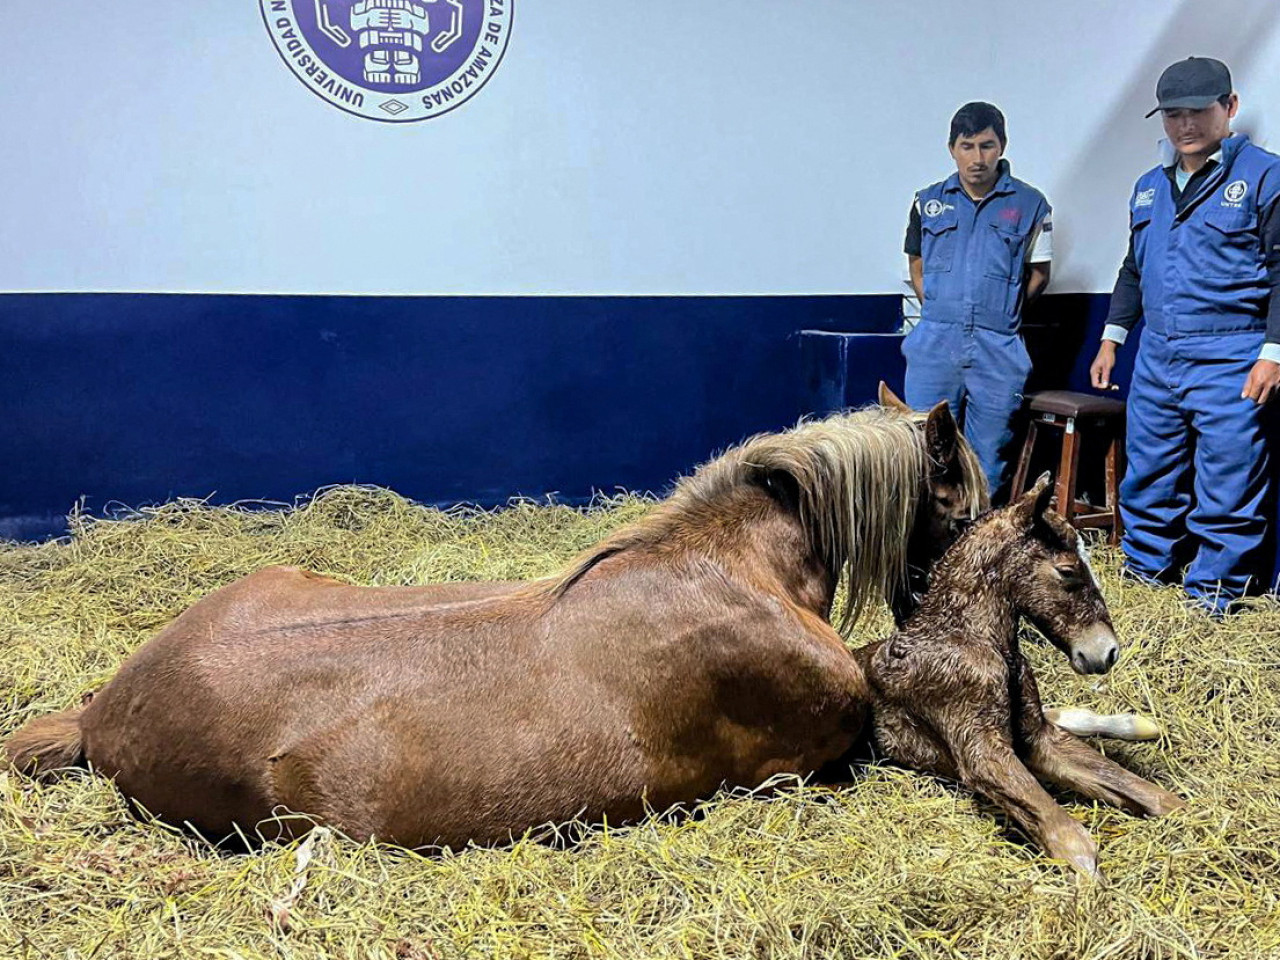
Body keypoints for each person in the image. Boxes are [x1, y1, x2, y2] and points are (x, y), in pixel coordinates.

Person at [1090, 56, 1280, 615]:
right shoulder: (1149, 187)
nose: (1185, 126)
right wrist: (1112, 339)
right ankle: (1142, 581)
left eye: (1198, 112)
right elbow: (1133, 268)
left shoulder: (1266, 178)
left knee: (1230, 481)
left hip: (1233, 353)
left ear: (1230, 108)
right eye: (1173, 115)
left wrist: (1273, 353)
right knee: (1148, 473)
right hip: (1157, 355)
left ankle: (1210, 603)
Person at [903, 101, 1053, 500]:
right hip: (935, 343)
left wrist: (1004, 309)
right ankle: (921, 553)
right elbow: (917, 263)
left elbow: (1039, 273)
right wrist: (936, 305)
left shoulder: (1031, 205)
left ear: (1002, 146)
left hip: (998, 347)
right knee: (921, 451)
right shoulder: (927, 202)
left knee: (989, 458)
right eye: (967, 146)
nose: (977, 158)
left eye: (987, 145)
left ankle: (980, 549)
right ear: (952, 148)